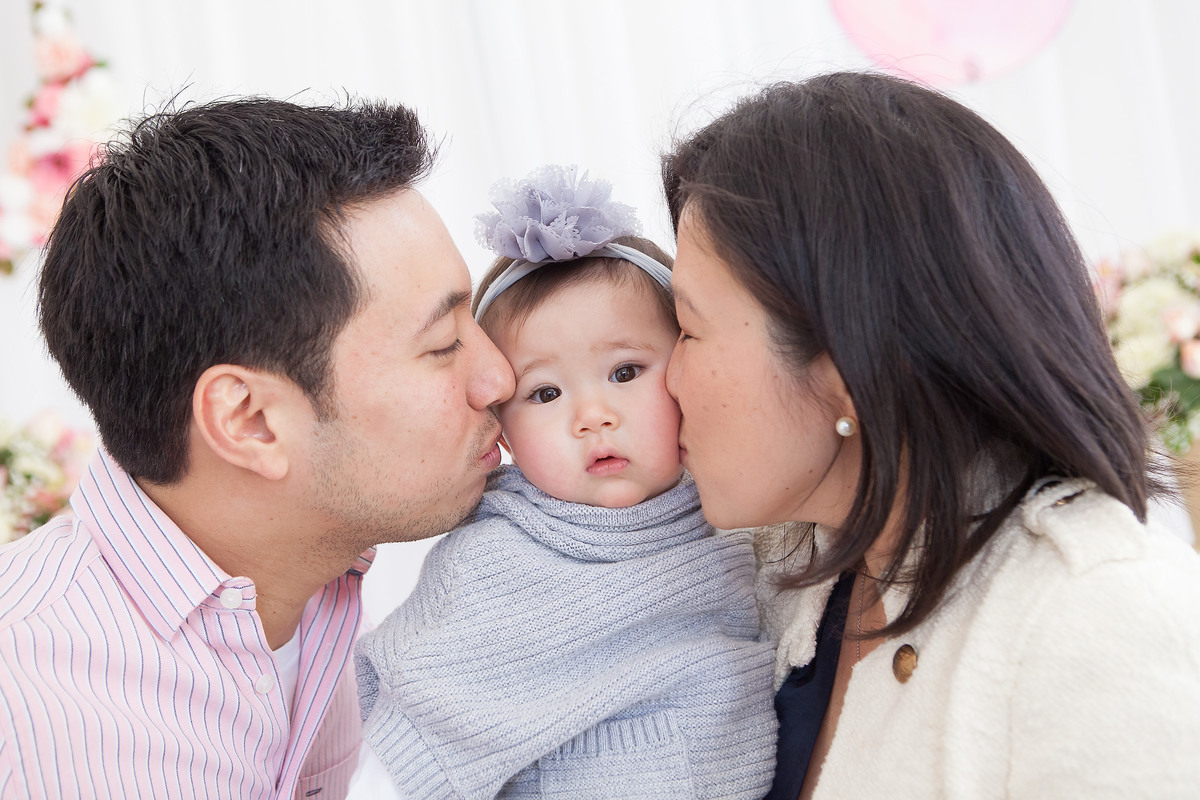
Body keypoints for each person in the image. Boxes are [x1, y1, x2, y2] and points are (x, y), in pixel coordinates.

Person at [659, 72, 1200, 799]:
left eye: (688, 330)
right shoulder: (786, 570)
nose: (666, 376)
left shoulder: (1100, 618)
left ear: (848, 366)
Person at [0, 98, 514, 799]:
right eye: (444, 345)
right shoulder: (50, 715)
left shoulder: (311, 577)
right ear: (249, 421)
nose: (500, 379)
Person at [355, 166, 778, 799]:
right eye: (546, 392)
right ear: (501, 429)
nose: (593, 416)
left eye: (626, 371)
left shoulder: (748, 509)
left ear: (689, 366)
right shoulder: (499, 563)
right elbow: (415, 732)